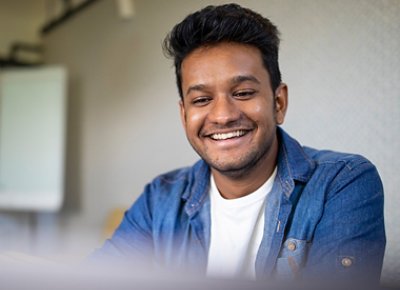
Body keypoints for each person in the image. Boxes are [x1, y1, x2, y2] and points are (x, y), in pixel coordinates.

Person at [92, 3, 386, 285]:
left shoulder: (343, 183)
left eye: (244, 92)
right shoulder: (159, 200)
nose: (223, 116)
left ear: (278, 102)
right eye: (202, 100)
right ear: (184, 116)